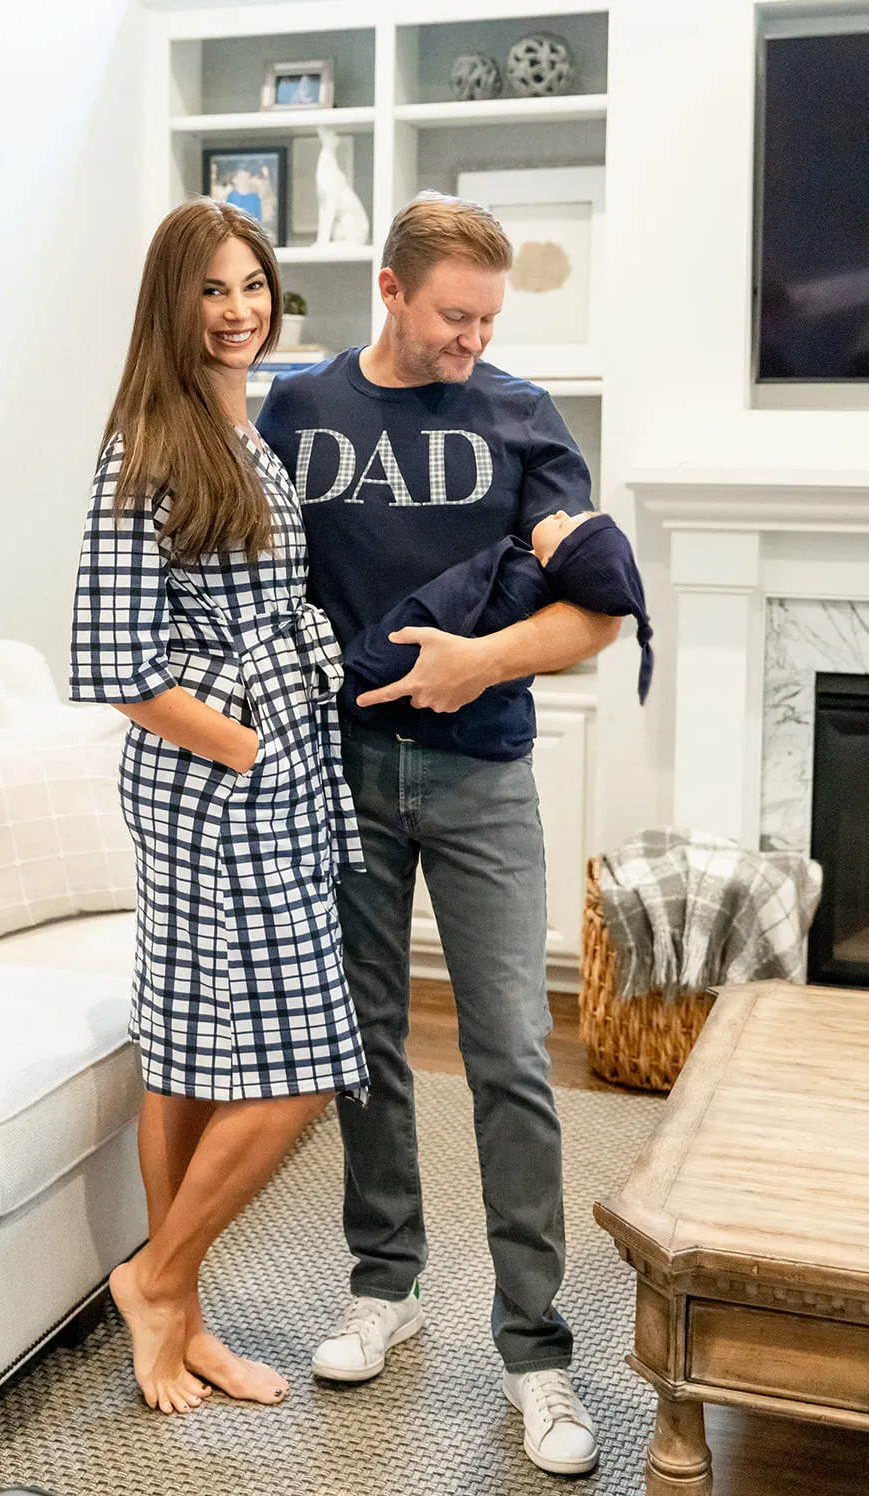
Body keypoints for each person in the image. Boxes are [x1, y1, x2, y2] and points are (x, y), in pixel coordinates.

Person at [257, 193, 622, 1478]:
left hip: (481, 778)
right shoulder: (296, 415)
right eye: (453, 315)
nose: (472, 340)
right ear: (391, 290)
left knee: (514, 1048)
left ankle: (536, 1350)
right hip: (342, 772)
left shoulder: (522, 417)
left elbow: (595, 617)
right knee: (364, 1042)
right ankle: (384, 1281)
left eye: (488, 320)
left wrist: (480, 660)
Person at [69, 198, 367, 1416]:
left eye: (254, 285)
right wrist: (245, 743)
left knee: (190, 1050)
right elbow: (118, 659)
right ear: (172, 304)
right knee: (303, 1062)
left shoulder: (242, 427)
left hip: (274, 772)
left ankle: (175, 1323)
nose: (240, 310)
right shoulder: (143, 443)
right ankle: (159, 1276)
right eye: (214, 290)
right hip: (212, 785)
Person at [342, 508, 653, 757]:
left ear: (551, 561)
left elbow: (605, 618)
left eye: (567, 525)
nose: (560, 513)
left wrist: (478, 660)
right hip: (354, 742)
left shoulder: (520, 582)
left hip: (470, 748)